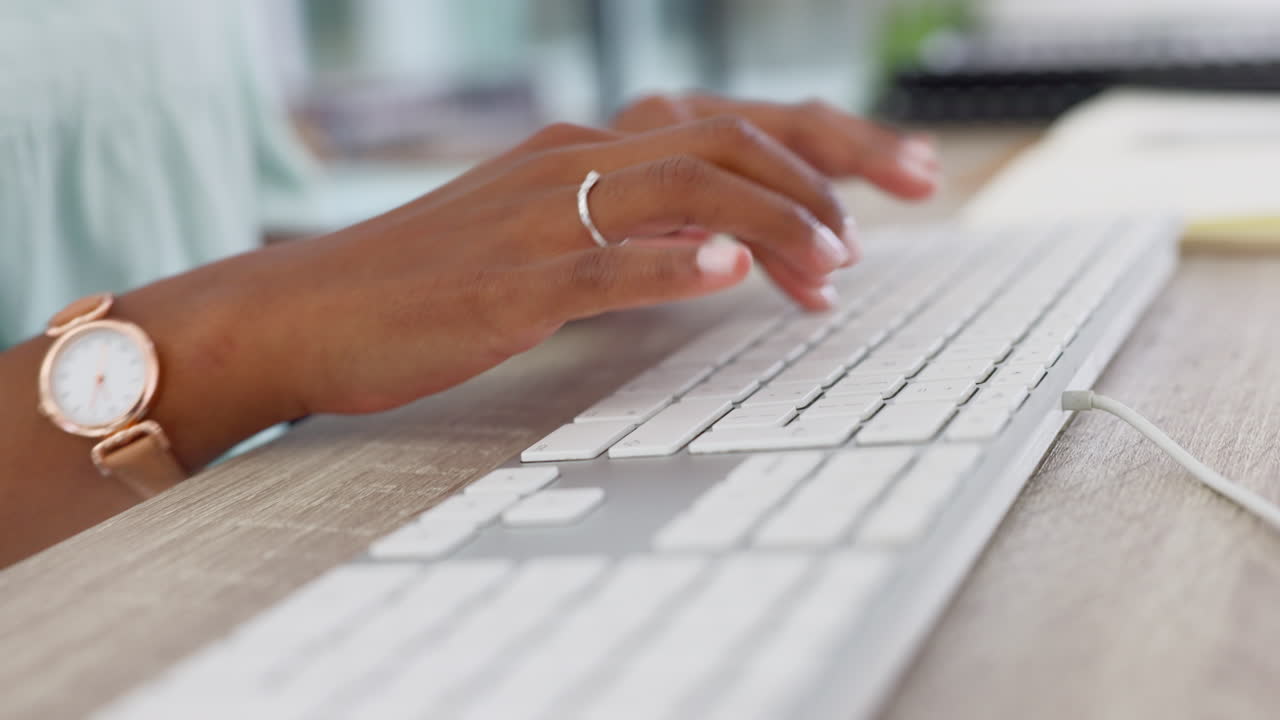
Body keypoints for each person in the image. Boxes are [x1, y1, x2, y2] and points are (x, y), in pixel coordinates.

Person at [0, 8, 939, 568]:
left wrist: (535, 227)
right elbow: (259, 310)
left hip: (233, 539)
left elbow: (241, 243)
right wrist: (233, 351)